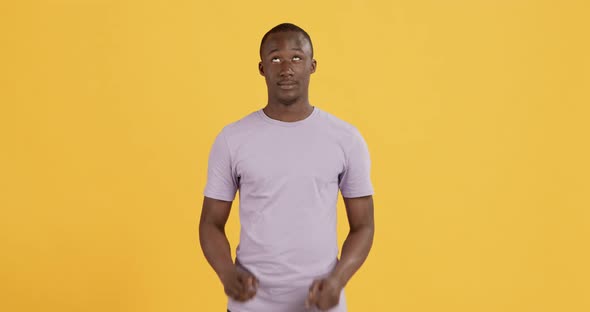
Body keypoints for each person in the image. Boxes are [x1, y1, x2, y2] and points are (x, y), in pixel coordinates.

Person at [199, 23, 375, 312]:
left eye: (296, 57)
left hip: (321, 304)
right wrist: (227, 273)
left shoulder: (345, 138)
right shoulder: (232, 139)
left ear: (312, 65)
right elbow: (211, 223)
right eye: (275, 58)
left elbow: (364, 225)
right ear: (261, 68)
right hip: (250, 305)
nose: (286, 68)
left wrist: (337, 281)